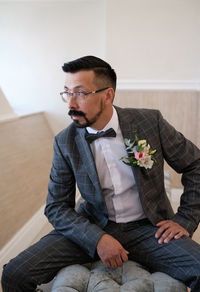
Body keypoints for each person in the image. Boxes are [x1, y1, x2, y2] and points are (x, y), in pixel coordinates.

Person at [1, 55, 200, 292]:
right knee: (14, 274)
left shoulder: (149, 122)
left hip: (150, 228)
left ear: (108, 95)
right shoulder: (65, 141)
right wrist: (97, 239)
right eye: (67, 92)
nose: (70, 104)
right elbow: (56, 207)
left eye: (81, 93)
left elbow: (195, 164)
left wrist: (185, 219)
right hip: (94, 225)